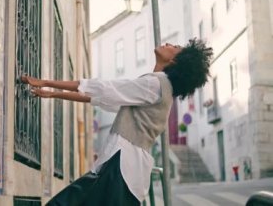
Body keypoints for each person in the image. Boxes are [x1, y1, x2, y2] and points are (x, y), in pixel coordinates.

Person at [21, 39, 213, 206]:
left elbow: (103, 89)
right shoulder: (161, 88)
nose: (169, 44)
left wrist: (46, 82)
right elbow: (101, 97)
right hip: (126, 173)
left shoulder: (155, 84)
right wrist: (52, 93)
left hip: (121, 169)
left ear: (174, 60)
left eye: (175, 47)